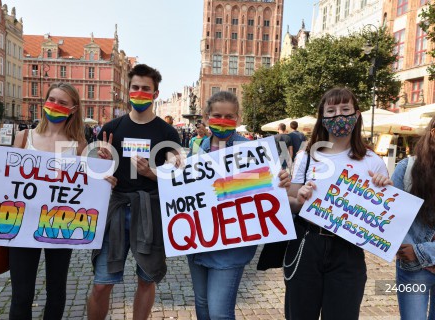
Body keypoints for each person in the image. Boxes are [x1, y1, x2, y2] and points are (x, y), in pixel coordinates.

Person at [0, 82, 116, 319]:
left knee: (56, 292)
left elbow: (87, 184)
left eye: (62, 103)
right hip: (23, 226)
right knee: (21, 295)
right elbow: (5, 176)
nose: (55, 106)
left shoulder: (77, 145)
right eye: (52, 100)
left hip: (61, 225)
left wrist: (104, 175)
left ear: (73, 108)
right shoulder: (24, 137)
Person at [285, 87, 392, 320]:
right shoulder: (307, 156)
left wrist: (385, 190)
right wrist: (299, 198)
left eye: (345, 110)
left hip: (348, 250)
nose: (338, 116)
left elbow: (383, 215)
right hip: (307, 243)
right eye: (331, 111)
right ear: (322, 118)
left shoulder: (373, 160)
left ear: (356, 115)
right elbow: (290, 202)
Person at [87, 64, 181, 320]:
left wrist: (152, 173)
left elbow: (178, 174)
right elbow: (89, 168)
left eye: (146, 89)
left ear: (156, 94)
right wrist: (102, 166)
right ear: (127, 91)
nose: (140, 92)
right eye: (135, 87)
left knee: (146, 281)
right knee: (101, 283)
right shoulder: (110, 128)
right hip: (116, 211)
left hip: (150, 212)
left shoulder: (168, 132)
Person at [188, 91, 291, 319]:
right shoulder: (198, 148)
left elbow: (266, 187)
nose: (223, 121)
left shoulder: (251, 150)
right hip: (200, 242)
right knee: (202, 307)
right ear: (206, 117)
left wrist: (281, 180)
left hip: (231, 246)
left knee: (219, 313)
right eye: (216, 115)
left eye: (229, 116)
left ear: (237, 117)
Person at [393, 115, 435, 320]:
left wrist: (420, 252)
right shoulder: (407, 168)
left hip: (415, 256)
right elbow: (391, 218)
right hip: (413, 267)